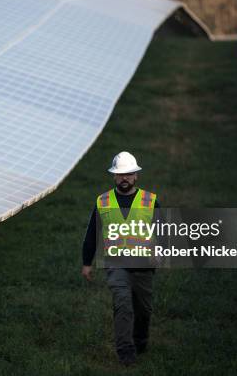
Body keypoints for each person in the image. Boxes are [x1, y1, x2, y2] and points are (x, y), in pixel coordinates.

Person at [81, 151, 161, 367]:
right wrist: (87, 263)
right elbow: (92, 233)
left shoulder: (150, 200)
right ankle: (125, 352)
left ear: (136, 176)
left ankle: (140, 341)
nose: (124, 178)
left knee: (143, 310)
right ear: (114, 176)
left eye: (128, 174)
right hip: (116, 266)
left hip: (144, 266)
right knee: (123, 305)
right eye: (120, 174)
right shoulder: (103, 201)